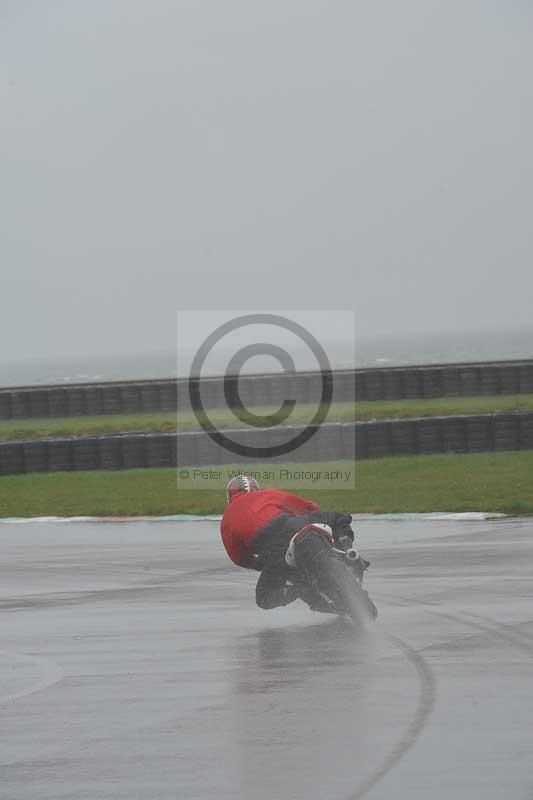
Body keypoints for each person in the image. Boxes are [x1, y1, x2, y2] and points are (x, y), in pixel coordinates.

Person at [220, 474, 357, 610]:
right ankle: (347, 549)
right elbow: (302, 505)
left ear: (230, 496)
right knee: (338, 517)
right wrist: (314, 510)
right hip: (293, 525)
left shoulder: (226, 519)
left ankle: (300, 589)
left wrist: (260, 565)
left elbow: (238, 557)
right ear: (255, 488)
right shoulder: (266, 494)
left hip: (273, 552)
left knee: (263, 598)